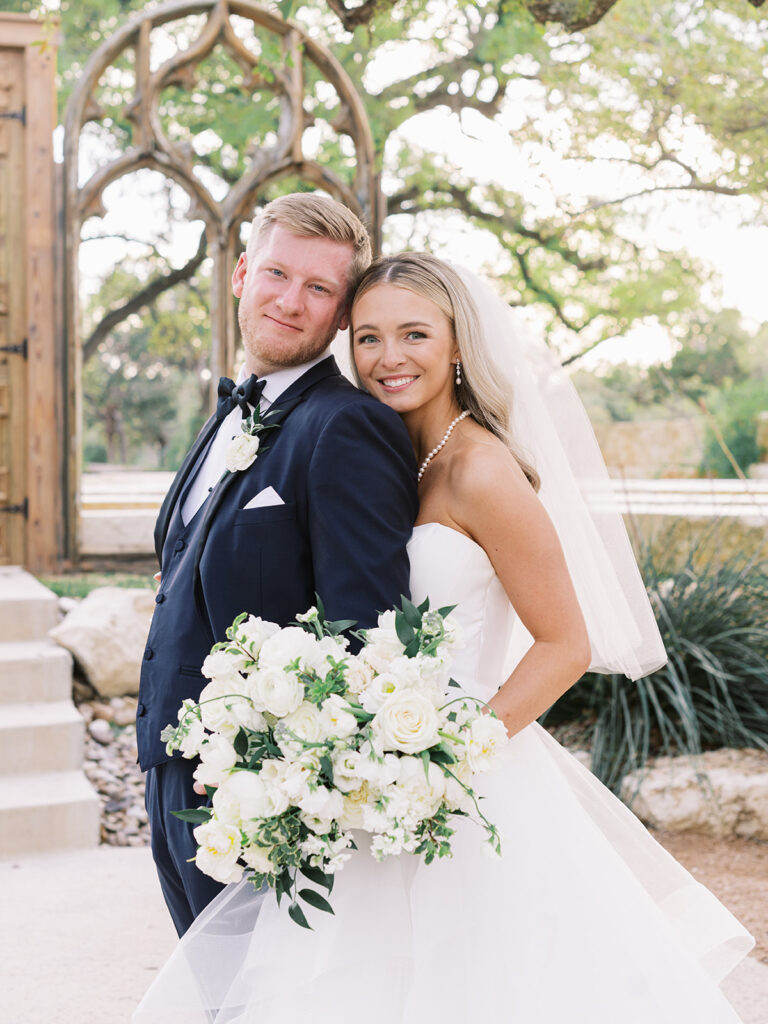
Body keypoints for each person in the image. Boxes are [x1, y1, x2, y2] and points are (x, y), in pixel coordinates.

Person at [134, 253, 754, 1022]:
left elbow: (566, 644)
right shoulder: (397, 454)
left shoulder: (483, 469)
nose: (389, 358)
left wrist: (443, 761)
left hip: (454, 775)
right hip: (369, 772)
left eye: (415, 334)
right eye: (368, 338)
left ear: (458, 344)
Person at [136, 195, 418, 938]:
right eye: (277, 274)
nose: (291, 302)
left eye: (320, 289)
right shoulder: (232, 411)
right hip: (172, 773)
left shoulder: (347, 428)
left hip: (254, 799)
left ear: (341, 313)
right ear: (240, 275)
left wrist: (275, 786)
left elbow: (366, 635)